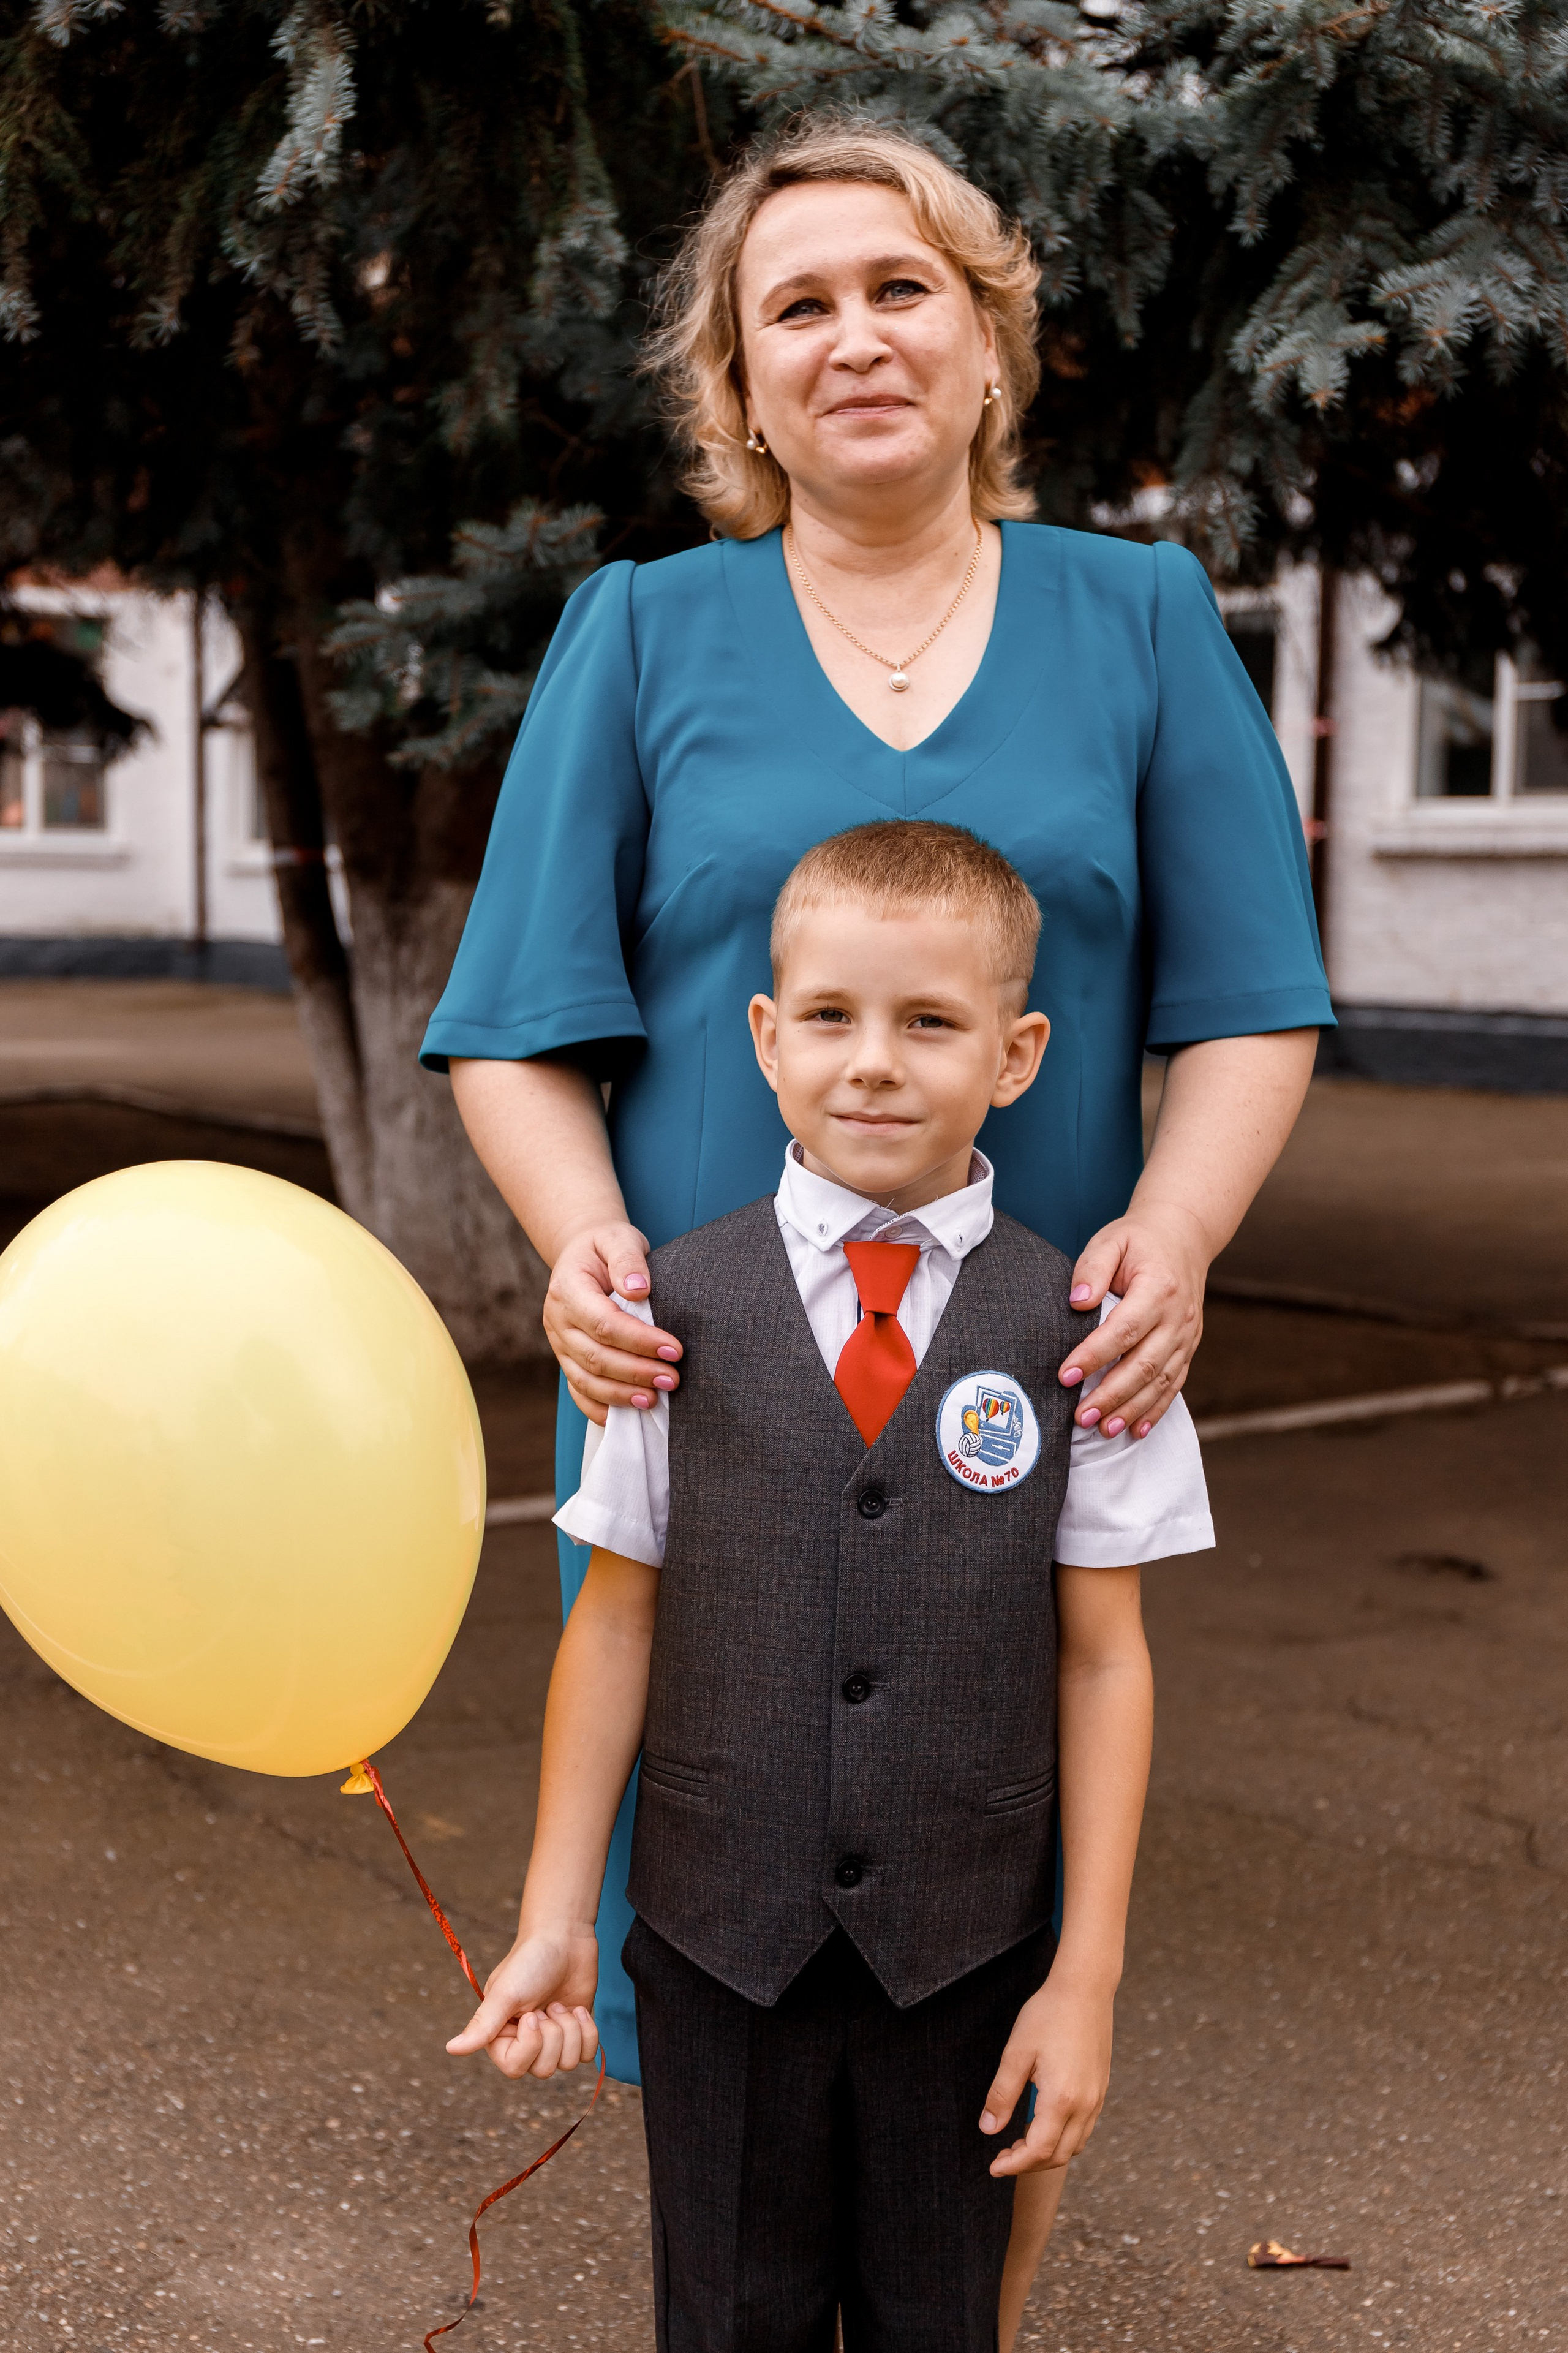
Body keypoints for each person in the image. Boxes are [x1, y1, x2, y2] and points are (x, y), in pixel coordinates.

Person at [421, 109, 1330, 2317]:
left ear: (990, 339)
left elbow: (1248, 1000)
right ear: (737, 382)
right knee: (726, 1902)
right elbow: (516, 1025)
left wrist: (1180, 1233)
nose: (855, 338)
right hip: (712, 1375)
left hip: (1028, 1381)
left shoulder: (1139, 621)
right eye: (797, 306)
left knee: (980, 1922)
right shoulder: (643, 631)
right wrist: (582, 1245)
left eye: (903, 288)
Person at [447, 823, 1210, 2352]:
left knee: (942, 2318)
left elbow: (1102, 1660)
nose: (871, 1061)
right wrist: (555, 1914)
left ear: (1014, 1054)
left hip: (969, 1964)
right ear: (764, 1037)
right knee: (727, 2320)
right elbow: (616, 1620)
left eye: (927, 1022)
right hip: (717, 1957)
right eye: (828, 1016)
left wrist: (1086, 1975)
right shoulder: (661, 1311)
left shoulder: (1086, 1333)